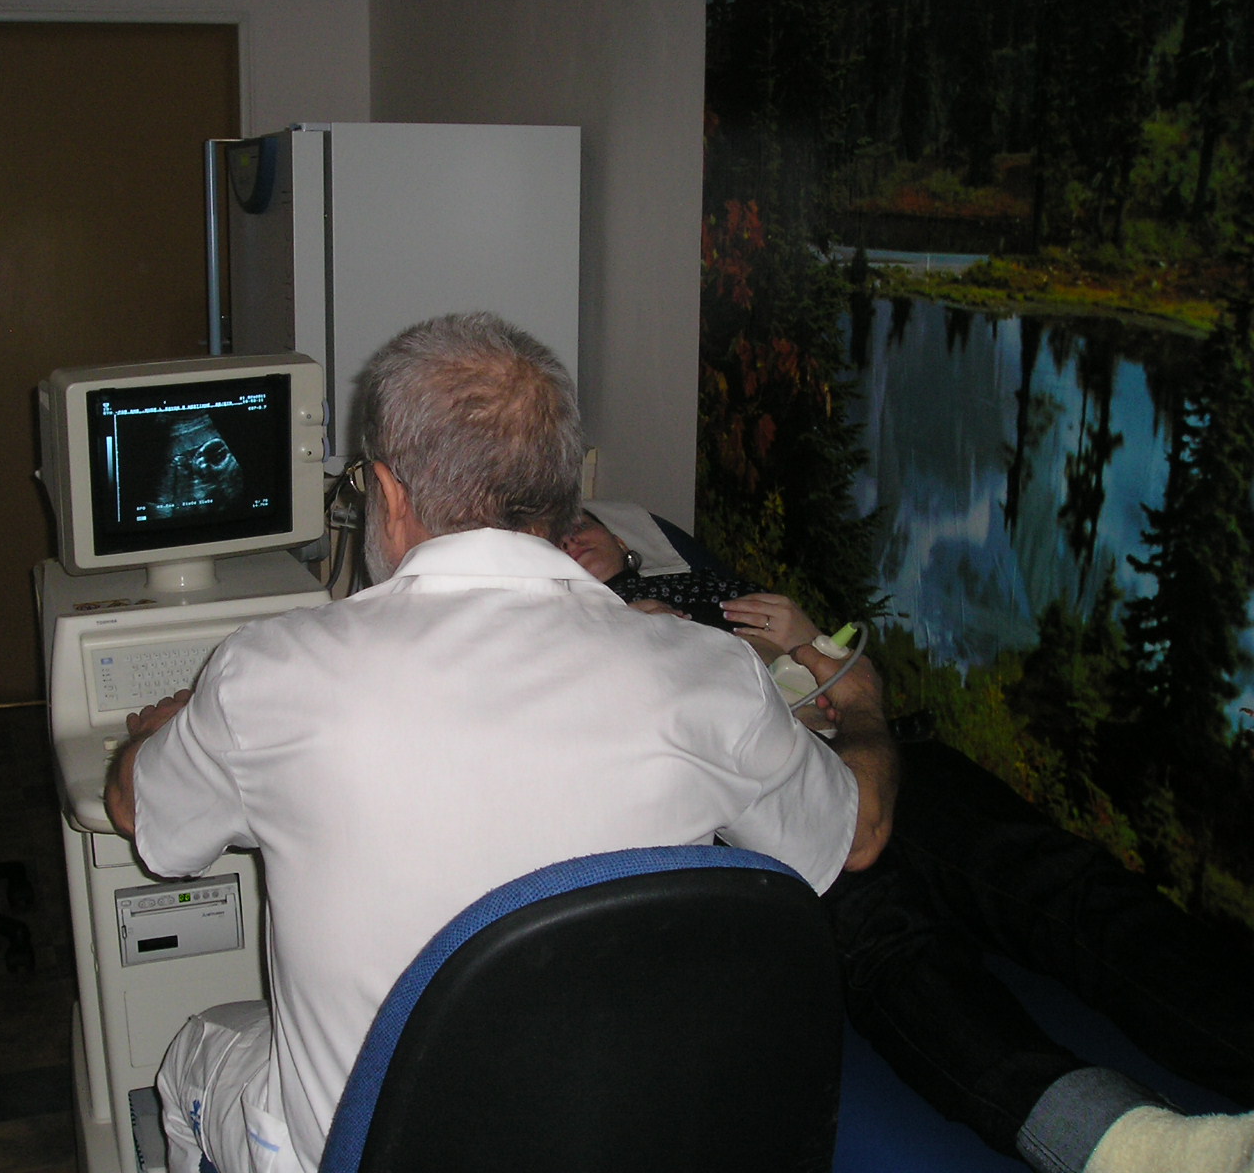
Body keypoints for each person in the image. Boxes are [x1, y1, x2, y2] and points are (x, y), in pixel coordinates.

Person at [103, 312, 899, 1173]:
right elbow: (857, 836)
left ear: (388, 494)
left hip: (365, 1153)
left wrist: (160, 732)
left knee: (194, 1050)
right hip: (623, 1138)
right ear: (564, 495)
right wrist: (862, 705)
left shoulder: (269, 673)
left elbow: (145, 818)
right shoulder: (711, 676)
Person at [566, 511, 1254, 1173]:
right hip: (759, 810)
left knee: (1060, 877)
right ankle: (1130, 1147)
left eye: (586, 523)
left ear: (628, 541)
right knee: (890, 943)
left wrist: (809, 644)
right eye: (556, 537)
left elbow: (843, 682)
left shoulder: (704, 586)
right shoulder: (568, 638)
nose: (571, 537)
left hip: (872, 754)